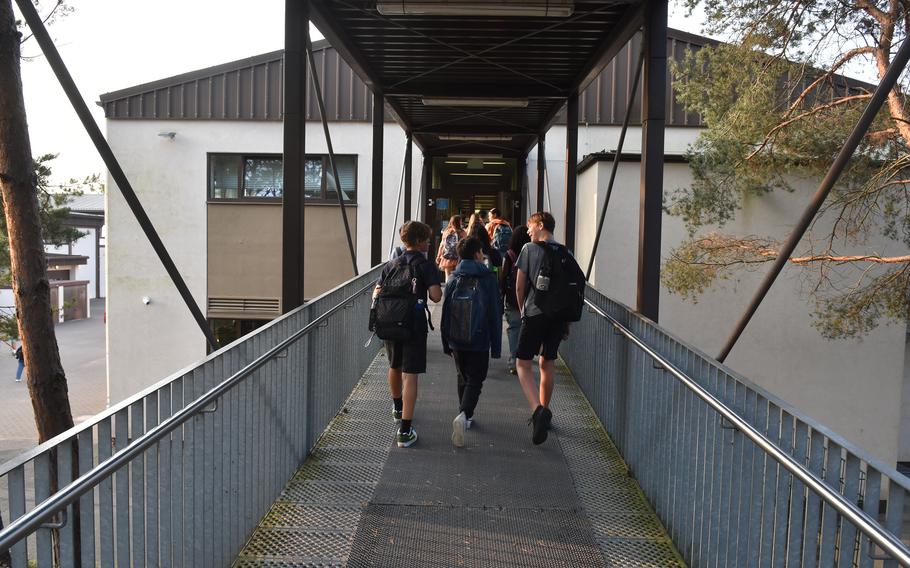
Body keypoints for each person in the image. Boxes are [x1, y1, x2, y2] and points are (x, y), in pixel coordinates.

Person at [373, 221, 442, 447]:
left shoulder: (391, 264)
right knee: (410, 374)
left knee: (394, 366)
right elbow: (435, 296)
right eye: (428, 240)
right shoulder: (425, 265)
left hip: (390, 322)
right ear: (420, 241)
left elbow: (378, 290)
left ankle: (397, 407)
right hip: (413, 325)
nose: (430, 243)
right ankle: (405, 431)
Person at [515, 211, 573, 445]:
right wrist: (567, 322)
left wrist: (522, 312)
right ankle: (545, 414)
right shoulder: (565, 251)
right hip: (558, 316)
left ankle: (538, 410)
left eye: (530, 226)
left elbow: (519, 286)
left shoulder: (529, 249)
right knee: (547, 362)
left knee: (522, 363)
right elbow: (570, 290)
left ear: (540, 225)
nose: (528, 231)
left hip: (535, 312)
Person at [441, 236, 502, 447]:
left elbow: (445, 311)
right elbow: (495, 312)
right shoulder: (488, 279)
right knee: (476, 378)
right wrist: (496, 346)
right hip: (479, 337)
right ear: (477, 254)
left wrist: (445, 341)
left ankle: (464, 415)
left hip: (456, 338)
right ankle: (464, 414)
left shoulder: (453, 278)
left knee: (462, 375)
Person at [500, 226, 530, 374]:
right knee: (527, 330)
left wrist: (501, 296)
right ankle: (525, 360)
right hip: (530, 299)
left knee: (514, 329)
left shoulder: (510, 254)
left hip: (512, 299)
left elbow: (504, 276)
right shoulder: (532, 253)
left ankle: (514, 362)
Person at [434, 215, 466, 282]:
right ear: (459, 222)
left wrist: (438, 256)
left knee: (448, 277)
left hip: (447, 257)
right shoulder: (463, 233)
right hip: (458, 257)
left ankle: (448, 290)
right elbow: (465, 246)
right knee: (458, 277)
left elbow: (442, 245)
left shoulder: (446, 232)